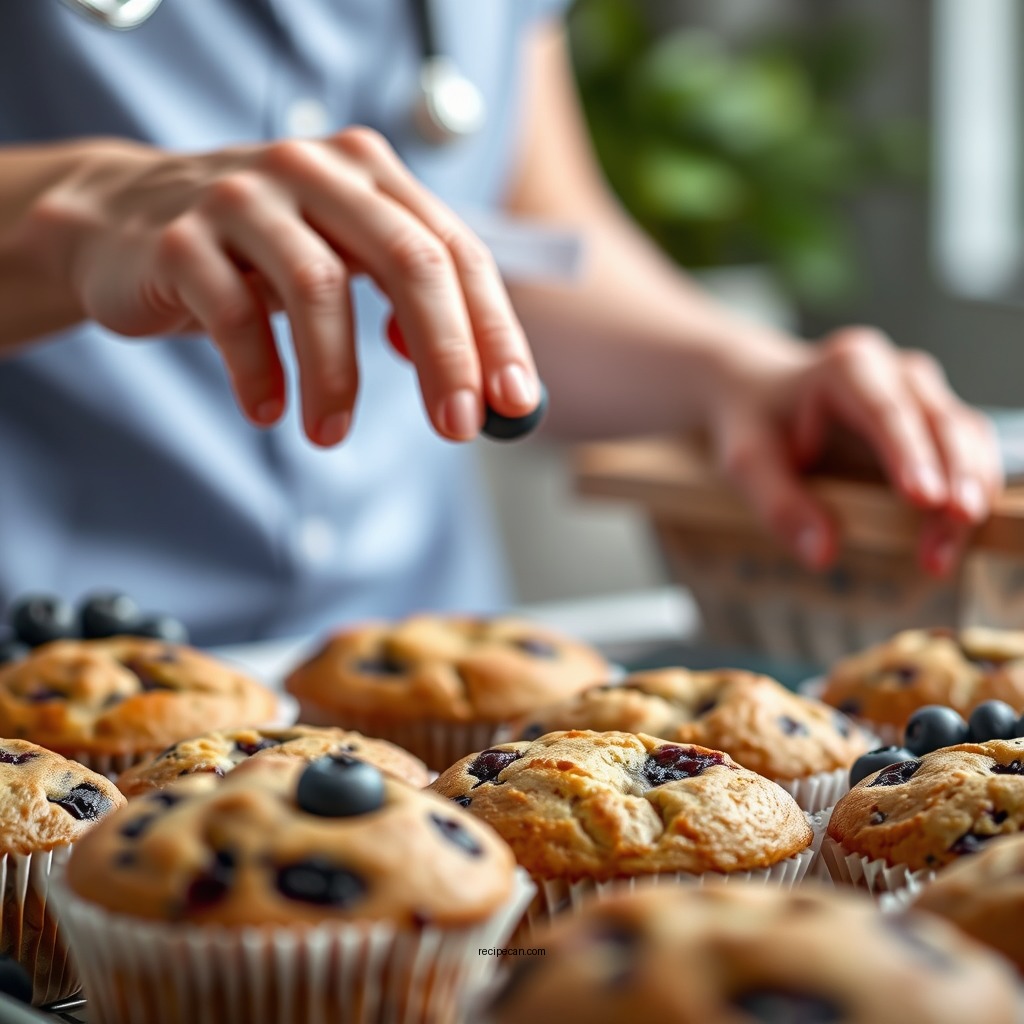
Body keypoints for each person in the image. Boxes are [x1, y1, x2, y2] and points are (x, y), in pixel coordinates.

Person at [0, 1, 1001, 645]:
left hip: (422, 655)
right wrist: (75, 213)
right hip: (46, 674)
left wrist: (738, 372)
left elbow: (530, 245)